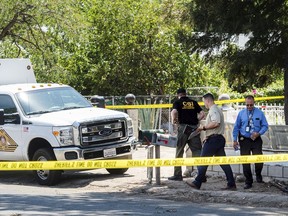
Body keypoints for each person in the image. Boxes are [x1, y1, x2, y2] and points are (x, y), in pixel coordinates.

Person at [186, 93, 236, 190]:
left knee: (203, 160)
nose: (204, 103)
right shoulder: (216, 109)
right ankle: (231, 183)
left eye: (204, 101)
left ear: (208, 100)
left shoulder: (213, 110)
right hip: (216, 138)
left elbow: (216, 123)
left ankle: (197, 182)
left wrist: (203, 128)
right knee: (223, 162)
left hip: (214, 140)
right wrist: (207, 135)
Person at [168, 88, 205, 181]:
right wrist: (197, 120)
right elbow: (203, 114)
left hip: (183, 128)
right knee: (197, 151)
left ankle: (177, 175)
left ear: (178, 95)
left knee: (179, 151)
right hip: (194, 129)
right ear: (185, 94)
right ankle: (202, 175)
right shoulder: (193, 102)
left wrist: (174, 121)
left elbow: (174, 112)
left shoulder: (177, 102)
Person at [232, 95, 268, 189]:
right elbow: (236, 127)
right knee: (245, 161)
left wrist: (259, 133)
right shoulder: (241, 113)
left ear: (254, 103)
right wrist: (235, 140)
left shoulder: (259, 113)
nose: (249, 107)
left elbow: (265, 126)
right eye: (247, 105)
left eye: (251, 105)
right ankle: (248, 181)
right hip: (244, 139)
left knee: (259, 159)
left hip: (256, 139)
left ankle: (258, 174)